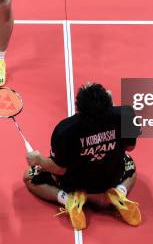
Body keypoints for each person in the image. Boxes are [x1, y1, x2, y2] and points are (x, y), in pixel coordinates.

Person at [23, 83, 142, 230]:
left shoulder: (65, 130)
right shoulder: (126, 115)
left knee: (29, 176)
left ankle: (68, 200)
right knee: (132, 166)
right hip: (112, 177)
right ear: (108, 102)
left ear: (78, 108)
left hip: (74, 182)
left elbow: (60, 169)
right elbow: (130, 147)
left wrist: (39, 159)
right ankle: (119, 192)